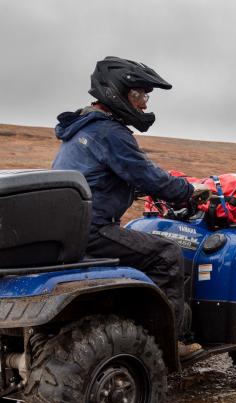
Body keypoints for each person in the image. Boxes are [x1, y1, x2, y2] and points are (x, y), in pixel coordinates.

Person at [52, 56, 207, 358]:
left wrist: (144, 188)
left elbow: (106, 179)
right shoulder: (110, 133)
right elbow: (148, 176)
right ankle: (168, 344)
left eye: (146, 96)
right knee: (167, 255)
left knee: (138, 248)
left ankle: (134, 321)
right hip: (93, 229)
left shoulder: (81, 128)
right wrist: (188, 193)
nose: (145, 103)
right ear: (115, 93)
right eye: (139, 95)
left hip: (69, 230)